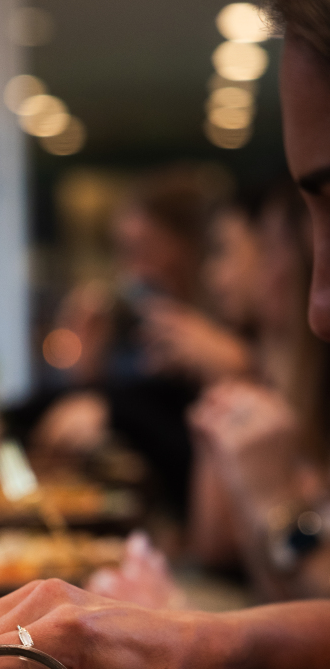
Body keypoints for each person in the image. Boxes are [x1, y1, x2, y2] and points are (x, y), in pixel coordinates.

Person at [0, 0, 330, 669]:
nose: (317, 304)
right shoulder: (222, 359)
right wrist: (188, 643)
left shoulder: (240, 363)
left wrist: (193, 645)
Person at [33, 165, 245, 515]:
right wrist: (89, 371)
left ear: (190, 246)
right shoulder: (144, 326)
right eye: (124, 251)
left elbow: (177, 443)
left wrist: (107, 408)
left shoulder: (226, 333)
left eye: (142, 248)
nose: (130, 271)